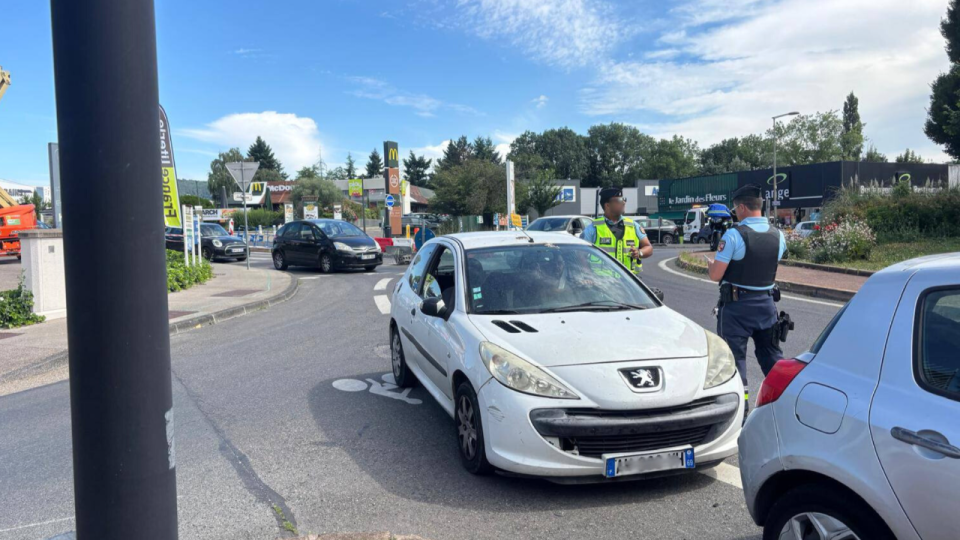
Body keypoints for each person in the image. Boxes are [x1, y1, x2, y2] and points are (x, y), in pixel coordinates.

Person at [704, 184, 787, 416]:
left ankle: (741, 411)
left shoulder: (734, 235)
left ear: (741, 207)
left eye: (735, 209)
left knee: (735, 360)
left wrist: (710, 266)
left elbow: (716, 275)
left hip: (736, 308)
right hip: (767, 305)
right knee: (772, 357)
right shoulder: (778, 236)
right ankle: (783, 404)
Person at [582, 187, 653, 275]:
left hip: (628, 280)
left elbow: (648, 247)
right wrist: (587, 275)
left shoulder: (633, 226)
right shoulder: (593, 228)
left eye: (624, 199)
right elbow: (580, 254)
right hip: (603, 281)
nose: (623, 202)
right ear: (607, 205)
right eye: (619, 200)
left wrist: (639, 253)